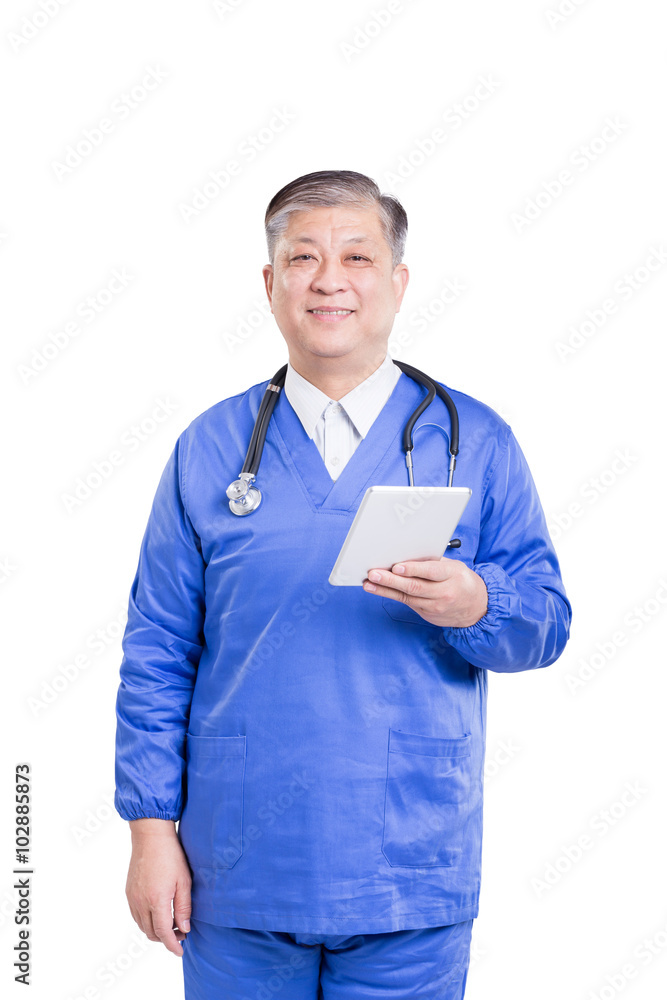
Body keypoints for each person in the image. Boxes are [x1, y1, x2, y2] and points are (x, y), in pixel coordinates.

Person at [114, 169, 572, 999]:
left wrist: (476, 603)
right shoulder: (210, 449)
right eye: (302, 258)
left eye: (357, 256)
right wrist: (150, 829)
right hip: (237, 867)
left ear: (396, 282)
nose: (329, 279)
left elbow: (544, 622)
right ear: (269, 282)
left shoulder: (475, 441)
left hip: (407, 861)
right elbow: (157, 648)